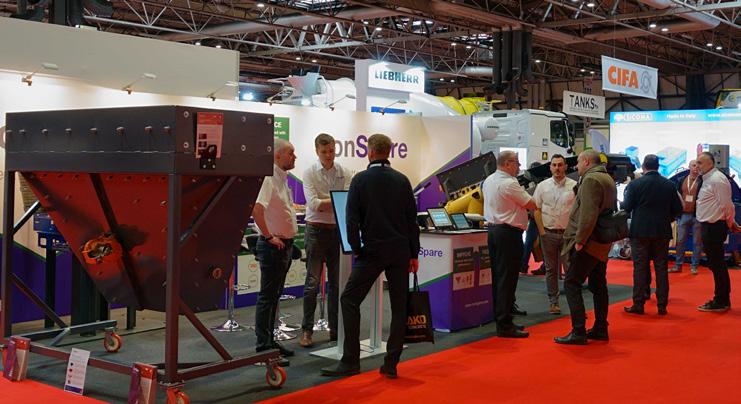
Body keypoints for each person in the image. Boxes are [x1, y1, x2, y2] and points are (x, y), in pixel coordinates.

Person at [321, 134, 420, 378]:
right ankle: (391, 364)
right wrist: (413, 254)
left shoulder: (360, 180)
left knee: (349, 300)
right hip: (400, 251)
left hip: (372, 250)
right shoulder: (402, 180)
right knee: (399, 307)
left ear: (370, 152)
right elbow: (412, 221)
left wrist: (357, 248)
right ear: (390, 152)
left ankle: (350, 360)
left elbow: (351, 219)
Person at [554, 150, 616, 345]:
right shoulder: (607, 178)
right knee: (598, 285)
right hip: (602, 241)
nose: (577, 166)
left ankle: (578, 330)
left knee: (571, 283)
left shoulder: (590, 180)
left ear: (587, 162)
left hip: (589, 242)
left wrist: (580, 240)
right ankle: (600, 327)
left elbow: (588, 214)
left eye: (579, 162)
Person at [299, 133, 352, 348]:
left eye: (331, 151)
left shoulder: (344, 171)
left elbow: (347, 200)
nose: (329, 155)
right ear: (317, 152)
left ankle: (335, 329)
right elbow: (313, 205)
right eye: (324, 152)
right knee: (312, 283)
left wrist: (325, 201)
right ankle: (307, 330)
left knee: (336, 284)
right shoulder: (309, 172)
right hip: (315, 230)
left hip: (336, 231)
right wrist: (335, 200)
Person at [251, 138, 298, 363]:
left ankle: (269, 342)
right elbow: (256, 209)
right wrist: (269, 236)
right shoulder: (269, 178)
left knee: (273, 296)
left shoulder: (281, 179)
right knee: (268, 297)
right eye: (291, 153)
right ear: (277, 155)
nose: (294, 157)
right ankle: (263, 346)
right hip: (273, 246)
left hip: (283, 245)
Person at [482, 150, 536, 338]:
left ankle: (502, 319)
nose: (519, 166)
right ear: (507, 164)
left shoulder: (489, 180)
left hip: (494, 232)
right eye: (516, 163)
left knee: (499, 278)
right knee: (507, 279)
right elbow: (531, 203)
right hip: (508, 234)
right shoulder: (509, 183)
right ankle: (504, 324)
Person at [622, 155, 683, 316]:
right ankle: (662, 305)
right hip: (662, 231)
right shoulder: (669, 185)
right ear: (658, 166)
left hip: (640, 231)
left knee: (640, 267)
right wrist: (666, 219)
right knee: (661, 268)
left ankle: (638, 303)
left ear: (643, 166)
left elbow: (627, 207)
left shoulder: (635, 184)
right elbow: (678, 209)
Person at [695, 152, 741, 312]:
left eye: (700, 163)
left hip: (715, 227)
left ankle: (721, 300)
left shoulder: (717, 179)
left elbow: (727, 205)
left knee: (717, 264)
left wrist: (730, 222)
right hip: (709, 226)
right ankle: (721, 298)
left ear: (710, 164)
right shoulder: (708, 179)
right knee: (715, 264)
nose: (697, 166)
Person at [533, 154, 577, 315]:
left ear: (565, 167)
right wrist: (542, 232)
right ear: (550, 167)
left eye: (560, 165)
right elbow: (536, 209)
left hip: (567, 235)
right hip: (548, 233)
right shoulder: (542, 186)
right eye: (554, 165)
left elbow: (579, 210)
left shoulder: (574, 186)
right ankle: (554, 302)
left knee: (570, 270)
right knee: (551, 270)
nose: (557, 168)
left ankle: (575, 304)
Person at [670, 160, 703, 274]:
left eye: (697, 166)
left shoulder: (703, 181)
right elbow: (676, 197)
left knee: (697, 242)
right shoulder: (681, 180)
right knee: (680, 241)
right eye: (693, 165)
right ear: (689, 167)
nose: (696, 167)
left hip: (697, 216)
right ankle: (678, 265)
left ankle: (694, 266)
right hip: (683, 215)